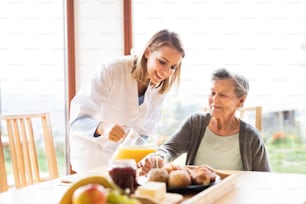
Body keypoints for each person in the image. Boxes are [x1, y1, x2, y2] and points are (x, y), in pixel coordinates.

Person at [69, 29, 185, 173]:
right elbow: (77, 120)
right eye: (162, 62)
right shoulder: (111, 69)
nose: (166, 72)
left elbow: (144, 131)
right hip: (91, 156)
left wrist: (143, 158)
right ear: (148, 52)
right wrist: (103, 127)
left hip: (122, 162)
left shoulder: (159, 86)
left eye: (173, 67)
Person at [140, 68, 271, 174]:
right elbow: (170, 149)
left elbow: (264, 178)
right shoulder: (196, 123)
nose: (214, 100)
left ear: (241, 101)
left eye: (223, 95)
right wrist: (159, 157)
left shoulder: (251, 136)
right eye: (213, 93)